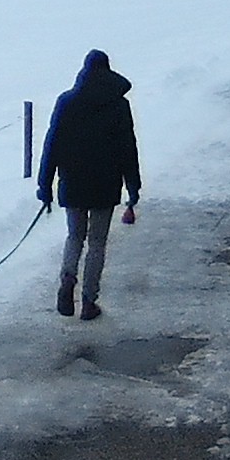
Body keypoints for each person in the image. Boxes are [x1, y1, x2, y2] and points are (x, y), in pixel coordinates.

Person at [38, 50, 141, 319]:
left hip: (73, 182)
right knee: (97, 242)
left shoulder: (67, 102)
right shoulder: (119, 105)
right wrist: (133, 186)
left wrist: (44, 185)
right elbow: (127, 147)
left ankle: (68, 278)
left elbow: (52, 145)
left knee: (75, 236)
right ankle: (88, 301)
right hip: (105, 185)